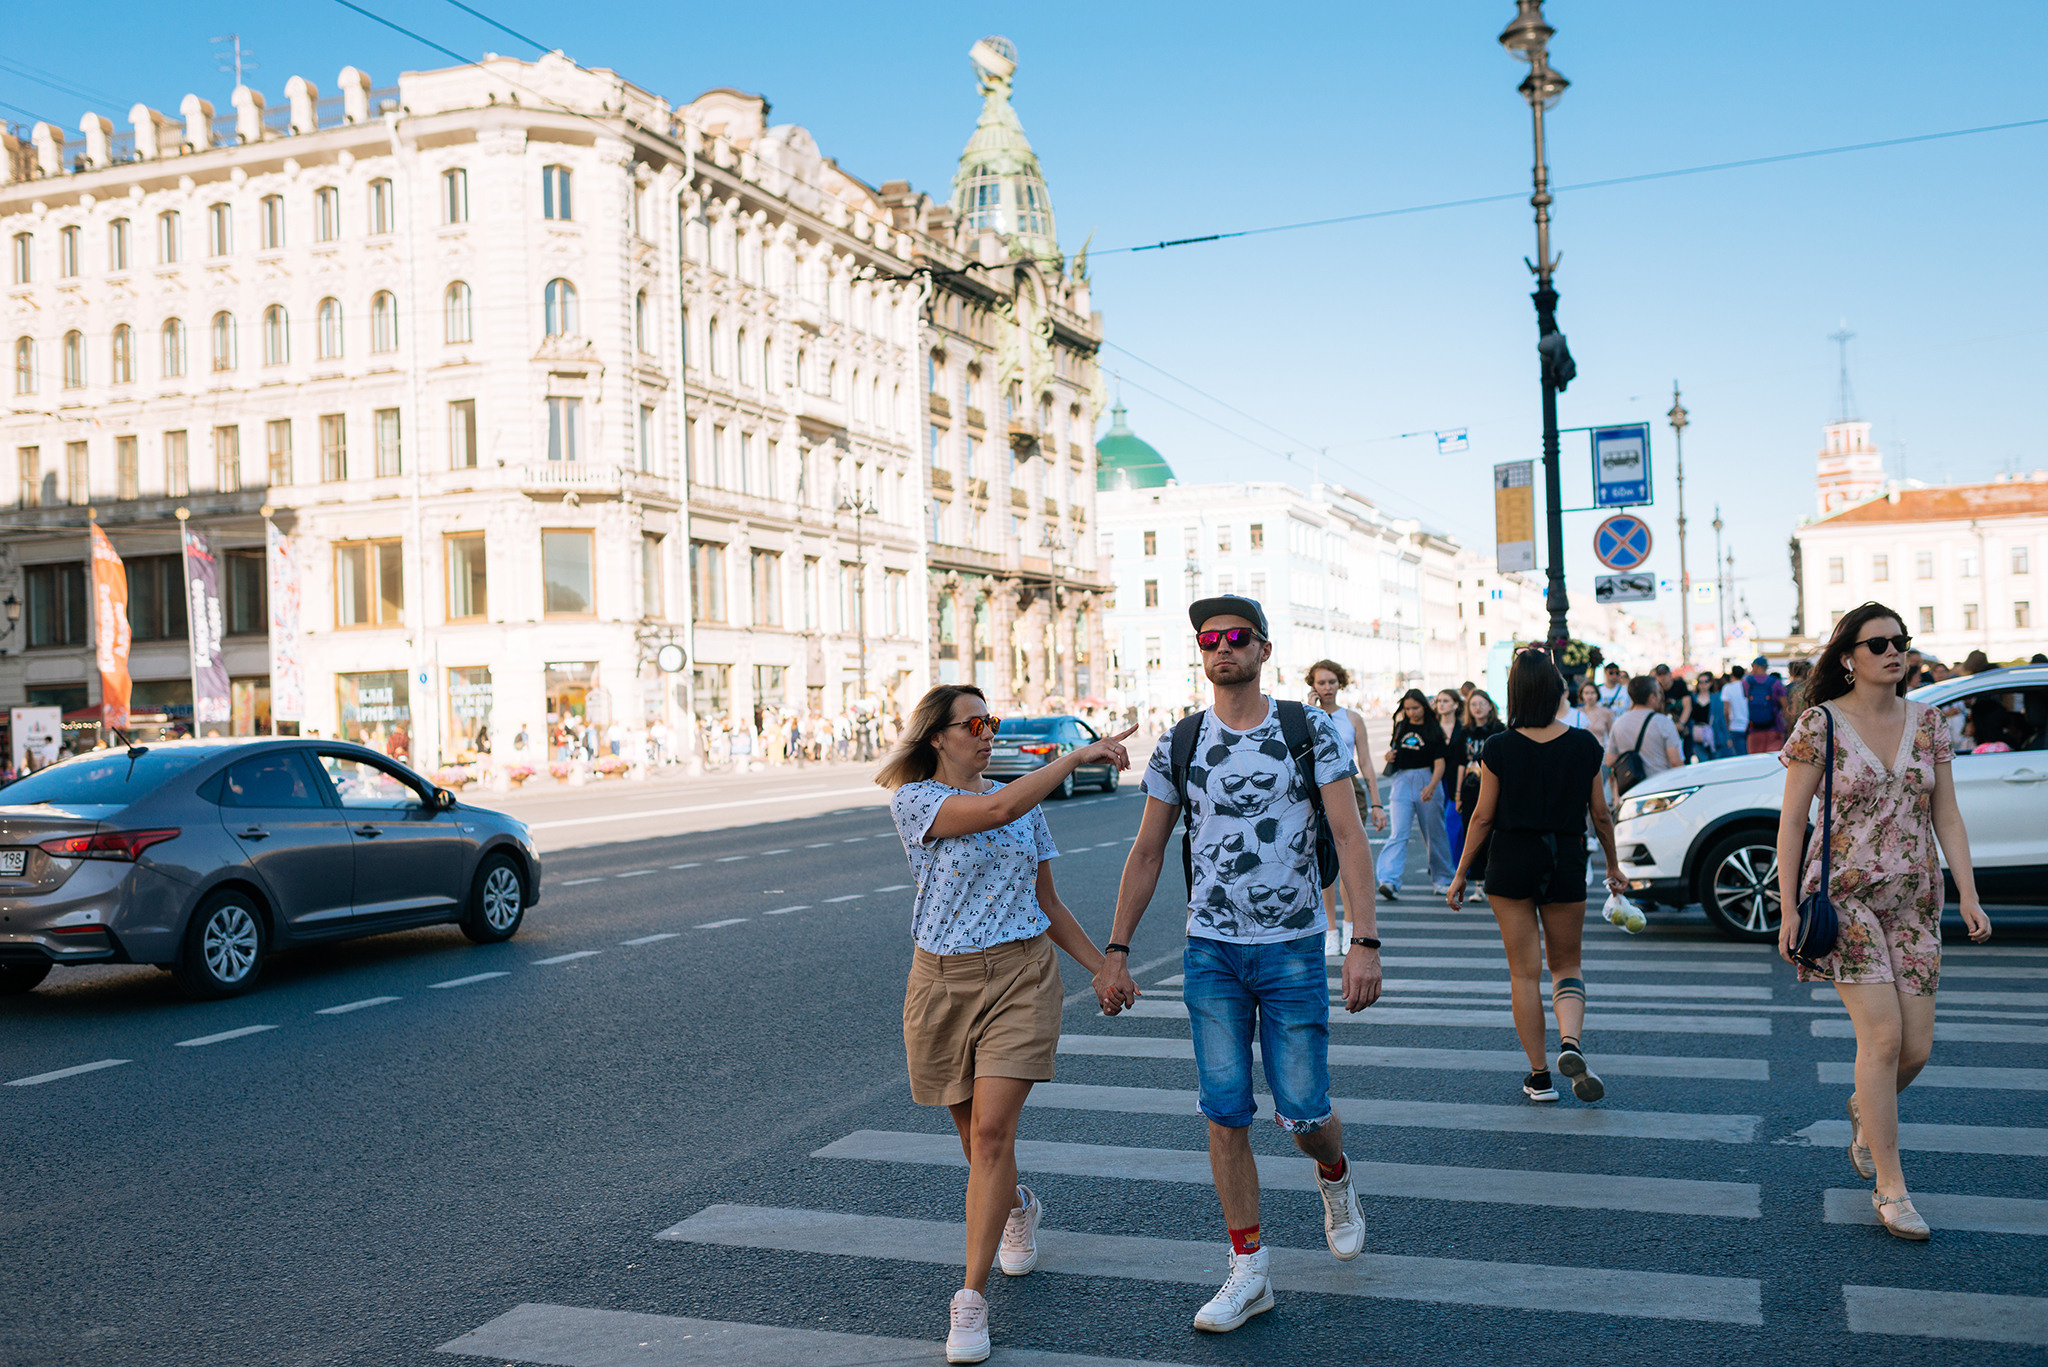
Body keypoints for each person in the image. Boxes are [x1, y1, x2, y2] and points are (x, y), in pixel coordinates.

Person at [1095, 594, 1382, 1335]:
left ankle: (1335, 1174)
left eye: (1237, 636)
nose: (1223, 647)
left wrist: (1363, 941)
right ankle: (1249, 1269)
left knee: (1305, 1111)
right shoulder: (1182, 740)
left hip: (1292, 946)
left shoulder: (1308, 728)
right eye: (1210, 639)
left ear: (1264, 648)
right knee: (1224, 1111)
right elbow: (1148, 851)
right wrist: (1117, 950)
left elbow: (1349, 835)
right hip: (1212, 951)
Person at [878, 684, 1139, 1361]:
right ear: (937, 736)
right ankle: (1017, 1205)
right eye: (974, 723)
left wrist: (1102, 967)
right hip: (941, 983)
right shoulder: (916, 801)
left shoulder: (1023, 803)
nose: (988, 732)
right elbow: (996, 809)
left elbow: (1045, 900)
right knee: (974, 1140)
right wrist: (1076, 755)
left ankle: (970, 1298)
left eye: (991, 720)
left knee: (993, 1133)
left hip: (1022, 976)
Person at [1775, 602, 1992, 1241]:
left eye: (1901, 641)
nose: (1894, 652)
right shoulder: (1821, 724)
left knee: (1916, 1049)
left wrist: (1968, 894)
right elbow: (1791, 822)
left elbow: (1947, 814)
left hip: (1915, 900)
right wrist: (1787, 907)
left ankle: (1865, 1108)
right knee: (1884, 1040)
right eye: (1878, 644)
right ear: (1849, 658)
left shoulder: (1929, 723)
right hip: (1845, 900)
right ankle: (1891, 1188)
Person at [1447, 649, 1626, 1105]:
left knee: (1523, 975)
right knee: (1566, 965)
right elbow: (1600, 816)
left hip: (1510, 861)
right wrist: (1612, 865)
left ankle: (1540, 1077)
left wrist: (1461, 873)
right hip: (1565, 858)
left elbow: (1483, 817)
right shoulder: (1584, 745)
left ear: (1515, 693)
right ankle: (1571, 1043)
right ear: (1556, 692)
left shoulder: (1498, 747)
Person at [1308, 660, 1385, 947]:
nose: (1327, 688)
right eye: (1321, 683)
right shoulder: (1305, 715)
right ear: (1313, 686)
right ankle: (1329, 930)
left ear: (1340, 684)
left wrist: (1377, 804)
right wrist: (1311, 710)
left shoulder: (1352, 718)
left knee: (1349, 858)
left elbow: (1365, 762)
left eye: (1332, 682)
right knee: (1325, 860)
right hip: (1317, 790)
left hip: (1350, 788)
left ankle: (1351, 926)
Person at [1375, 689, 1451, 901]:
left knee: (1434, 833)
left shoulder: (1433, 728)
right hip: (1402, 780)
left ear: (1424, 707)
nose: (1411, 712)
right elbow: (1393, 752)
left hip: (1427, 779)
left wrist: (1432, 786)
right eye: (1407, 709)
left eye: (1415, 708)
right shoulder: (1401, 726)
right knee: (1398, 832)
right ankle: (1389, 881)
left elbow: (1440, 762)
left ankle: (1443, 879)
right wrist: (1388, 756)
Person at [1457, 689, 1506, 881]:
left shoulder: (1499, 730)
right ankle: (1478, 882)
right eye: (1473, 704)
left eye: (1481, 704)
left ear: (1490, 706)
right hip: (1470, 789)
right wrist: (1458, 795)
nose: (1477, 708)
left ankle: (1493, 877)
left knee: (1492, 835)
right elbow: (1461, 763)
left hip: (1493, 788)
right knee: (1472, 832)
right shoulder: (1465, 732)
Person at [1606, 676, 1685, 787]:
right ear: (1652, 697)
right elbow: (1675, 762)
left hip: (1632, 789)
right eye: (1658, 693)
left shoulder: (1619, 722)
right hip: (1661, 787)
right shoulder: (1663, 722)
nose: (1660, 697)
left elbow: (1610, 760)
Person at [1433, 689, 1469, 859]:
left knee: (1454, 823)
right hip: (1435, 780)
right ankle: (1443, 863)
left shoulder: (1463, 728)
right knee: (1437, 825)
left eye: (1445, 701)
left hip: (1457, 780)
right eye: (1439, 701)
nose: (1441, 704)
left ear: (1456, 704)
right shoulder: (1432, 728)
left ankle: (1457, 863)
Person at [1744, 656, 1790, 754]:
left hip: (1753, 730)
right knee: (1772, 759)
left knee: (1755, 760)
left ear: (1755, 666)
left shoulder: (1747, 682)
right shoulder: (1775, 682)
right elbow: (1785, 705)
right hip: (1774, 729)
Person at [1719, 663, 1751, 758]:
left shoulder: (1727, 688)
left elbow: (1726, 710)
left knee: (1739, 756)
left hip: (1735, 725)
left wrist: (1727, 724)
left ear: (1732, 675)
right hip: (1750, 724)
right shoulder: (1748, 686)